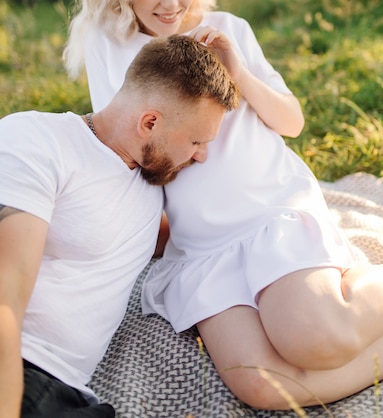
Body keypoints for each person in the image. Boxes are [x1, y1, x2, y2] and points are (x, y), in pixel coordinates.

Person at [64, 0, 383, 411]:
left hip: (269, 208)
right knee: (261, 386)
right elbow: (129, 145)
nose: (170, 3)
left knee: (316, 338)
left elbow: (291, 121)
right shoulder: (111, 45)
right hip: (204, 243)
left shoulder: (227, 30)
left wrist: (239, 72)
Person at [0, 34, 240, 418]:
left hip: (71, 396)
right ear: (149, 122)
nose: (202, 155)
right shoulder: (37, 142)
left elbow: (198, 234)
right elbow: (4, 299)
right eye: (196, 140)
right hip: (19, 370)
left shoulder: (150, 186)